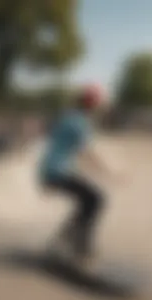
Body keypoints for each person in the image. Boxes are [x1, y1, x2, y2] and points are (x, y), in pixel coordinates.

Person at [39, 85, 122, 268]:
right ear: (92, 105)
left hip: (52, 171)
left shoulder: (69, 117)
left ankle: (64, 239)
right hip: (56, 172)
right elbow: (88, 153)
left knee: (88, 201)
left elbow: (70, 150)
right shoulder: (80, 122)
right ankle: (80, 246)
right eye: (98, 105)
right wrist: (111, 172)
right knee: (95, 199)